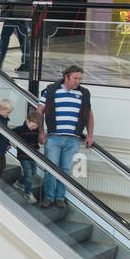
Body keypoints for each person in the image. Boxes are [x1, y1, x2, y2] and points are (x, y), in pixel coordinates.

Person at [38, 63, 94, 210]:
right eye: (75, 78)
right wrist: (41, 132)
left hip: (73, 139)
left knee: (65, 170)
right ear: (66, 77)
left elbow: (89, 116)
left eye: (79, 79)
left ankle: (60, 197)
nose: (78, 81)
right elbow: (39, 112)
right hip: (54, 138)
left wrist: (90, 135)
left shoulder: (83, 94)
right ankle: (48, 197)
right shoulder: (50, 91)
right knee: (51, 168)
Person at [0, 0, 32, 72]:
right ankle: (27, 63)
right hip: (24, 13)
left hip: (14, 14)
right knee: (24, 39)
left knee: (4, 37)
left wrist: (1, 8)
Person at [12, 108, 42, 204]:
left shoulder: (35, 131)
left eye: (36, 126)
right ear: (27, 121)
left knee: (33, 173)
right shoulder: (20, 129)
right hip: (23, 156)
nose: (34, 128)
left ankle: (19, 183)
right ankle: (28, 194)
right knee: (28, 174)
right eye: (33, 126)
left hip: (33, 155)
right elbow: (10, 132)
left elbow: (35, 142)